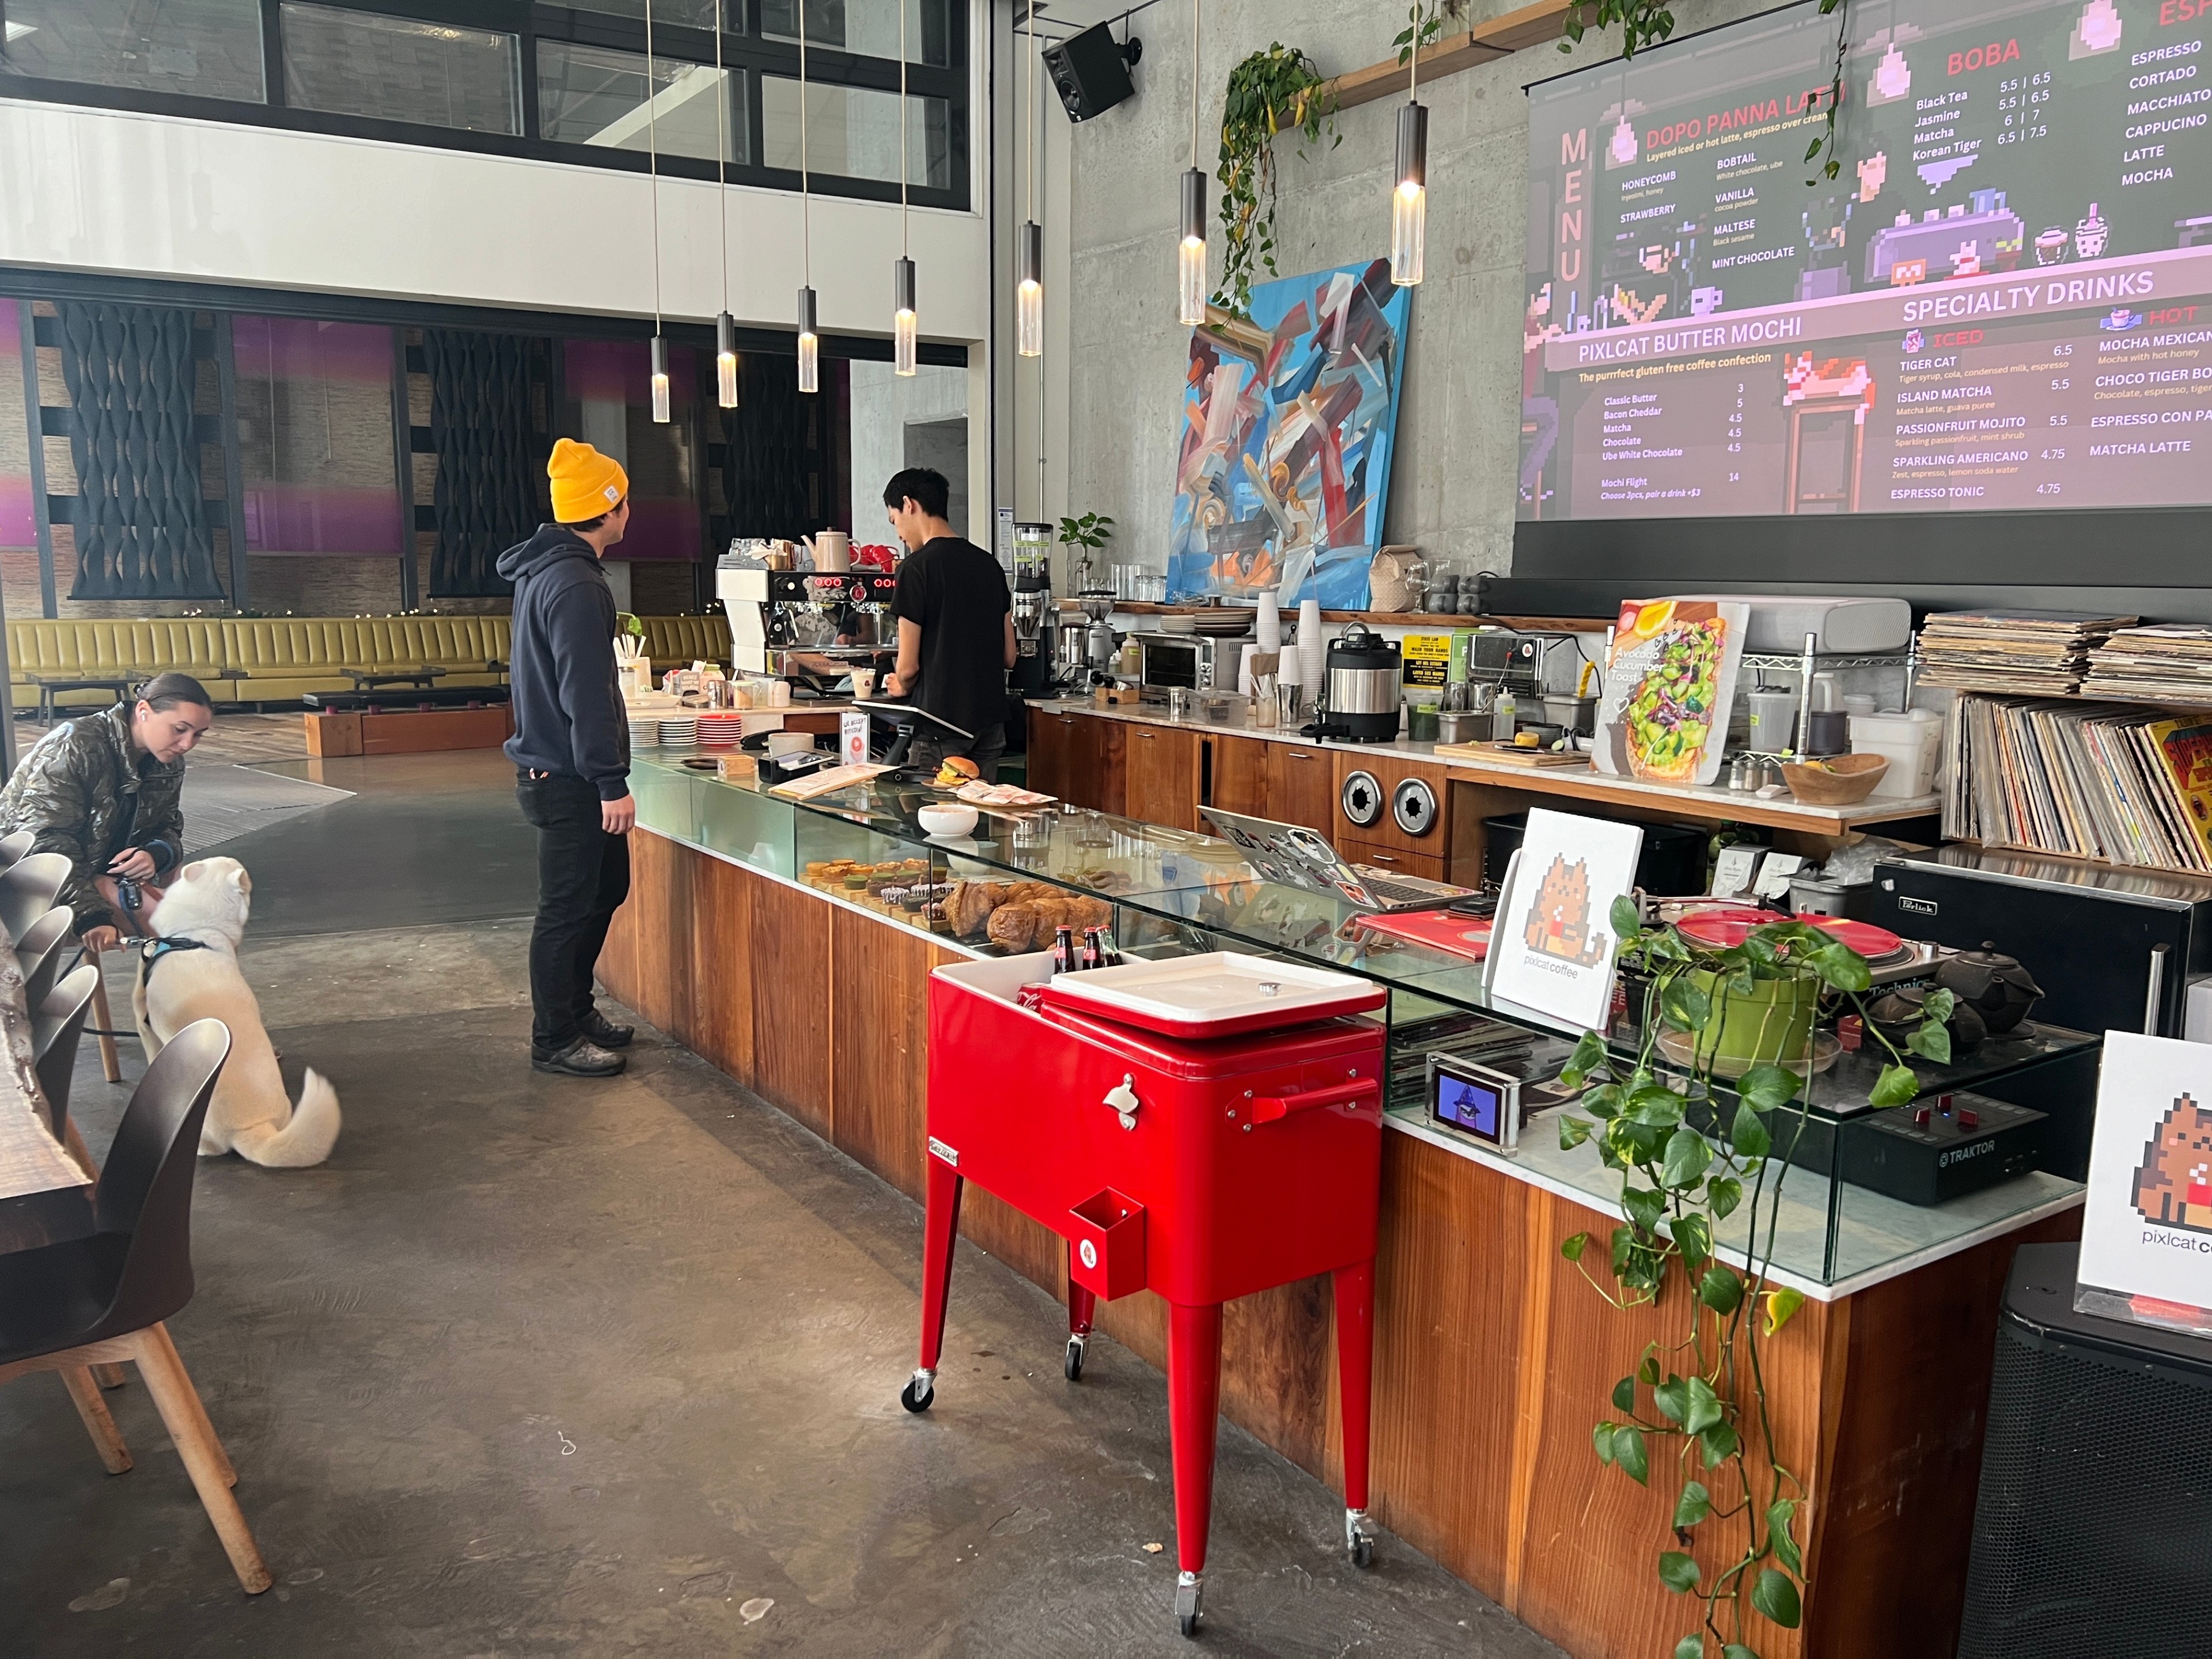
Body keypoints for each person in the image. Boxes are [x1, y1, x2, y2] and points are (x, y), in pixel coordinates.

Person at [499, 438, 638, 1080]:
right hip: (571, 777)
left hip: (561, 768)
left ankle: (576, 1011)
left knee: (606, 889)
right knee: (565, 908)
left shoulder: (546, 570)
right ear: (608, 509)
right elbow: (583, 690)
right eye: (623, 499)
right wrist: (610, 781)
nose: (627, 510)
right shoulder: (576, 583)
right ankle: (553, 1036)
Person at [0, 671, 214, 952]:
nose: (187, 744)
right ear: (144, 711)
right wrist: (93, 915)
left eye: (197, 735)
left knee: (199, 915)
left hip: (99, 869)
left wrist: (155, 853)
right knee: (175, 928)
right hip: (27, 877)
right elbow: (46, 842)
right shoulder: (75, 745)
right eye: (179, 729)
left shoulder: (169, 761)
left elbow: (169, 826)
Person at [881, 467, 1014, 777]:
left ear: (909, 504)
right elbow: (1009, 657)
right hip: (989, 725)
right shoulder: (990, 566)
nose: (898, 533)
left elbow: (908, 668)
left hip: (940, 726)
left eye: (895, 520)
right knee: (981, 819)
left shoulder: (915, 569)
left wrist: (901, 683)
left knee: (932, 821)